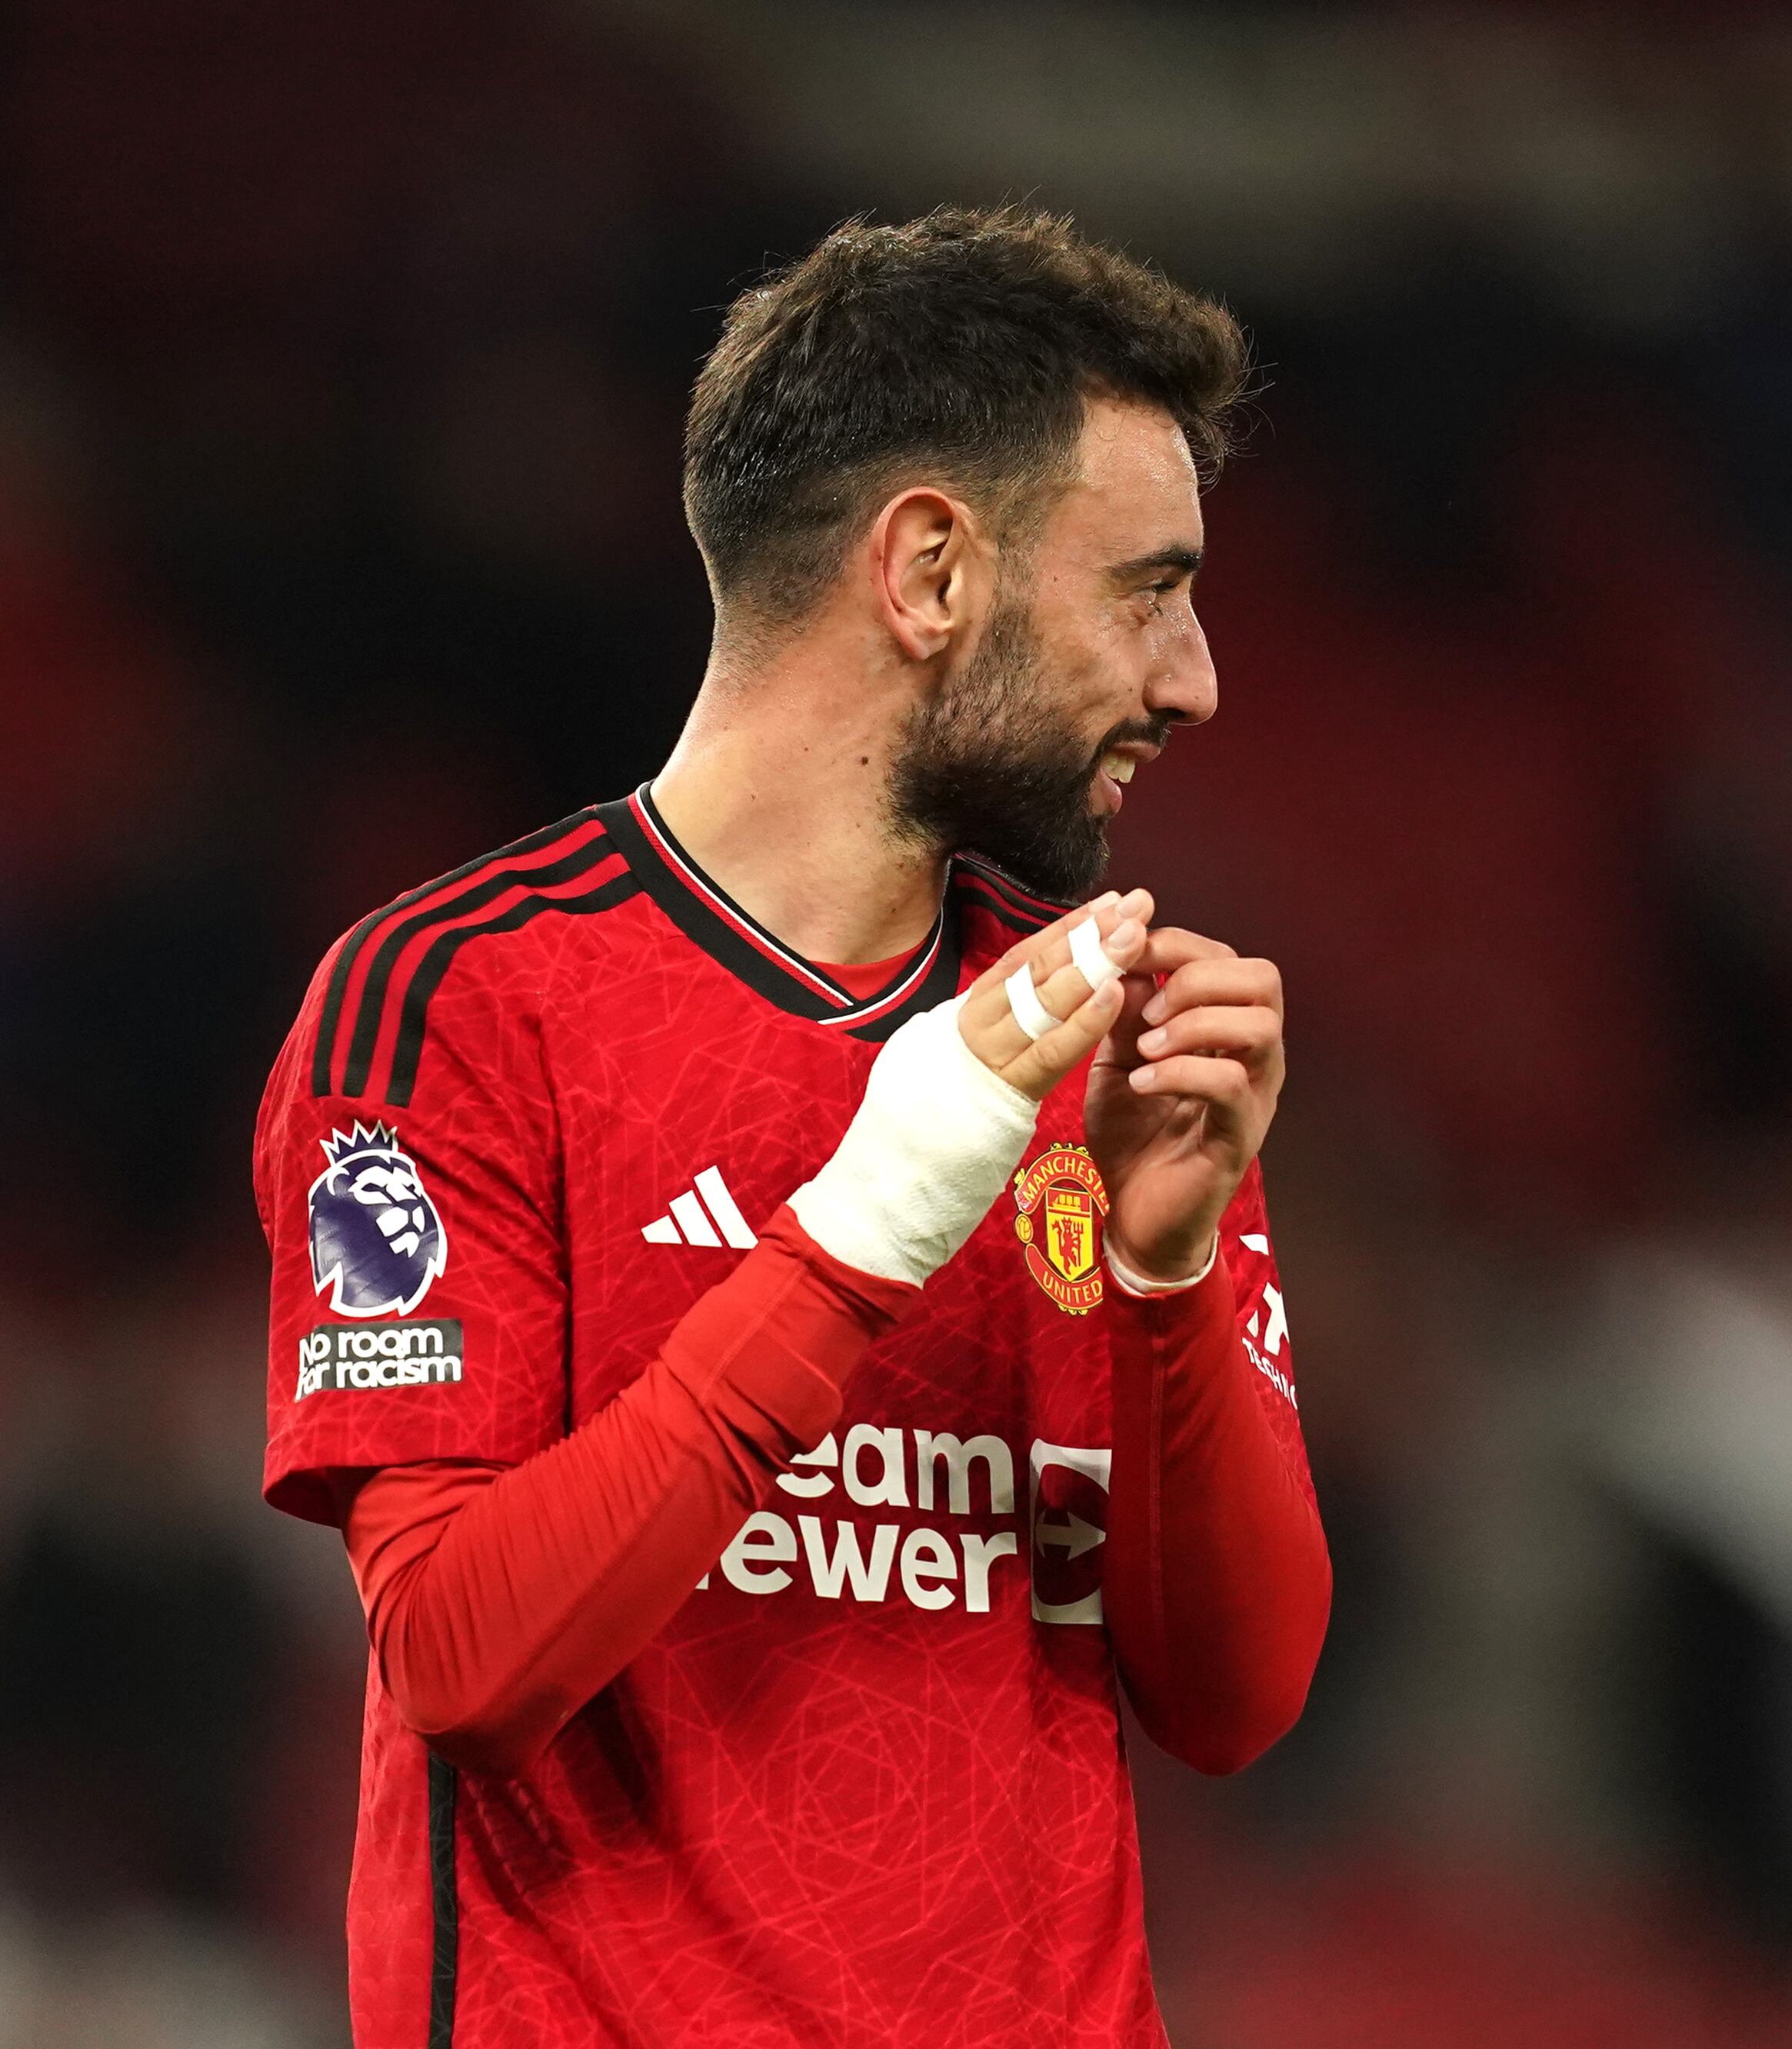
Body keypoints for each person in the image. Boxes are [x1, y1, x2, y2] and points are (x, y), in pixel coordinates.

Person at [254, 207, 1326, 2047]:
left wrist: (1161, 1284)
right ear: (929, 572)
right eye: (1147, 588)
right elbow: (459, 1659)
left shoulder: (1102, 1050)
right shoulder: (461, 1002)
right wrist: (866, 1226)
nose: (1194, 676)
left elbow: (1236, 1702)